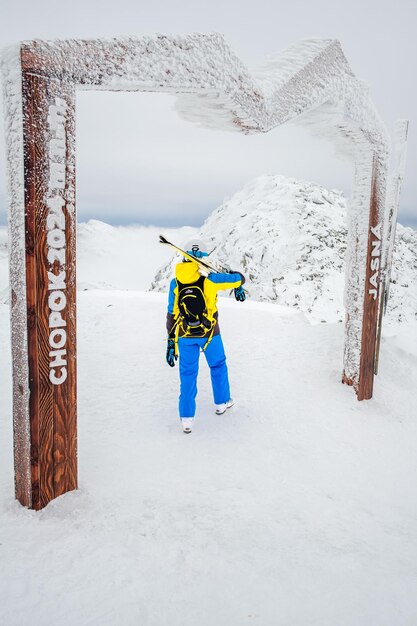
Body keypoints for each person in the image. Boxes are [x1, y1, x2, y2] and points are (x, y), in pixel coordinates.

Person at [165, 238, 246, 433]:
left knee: (187, 374)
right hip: (211, 333)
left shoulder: (175, 283)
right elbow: (239, 278)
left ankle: (186, 418)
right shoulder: (211, 280)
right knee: (218, 365)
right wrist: (237, 281)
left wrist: (170, 342)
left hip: (184, 336)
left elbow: (171, 314)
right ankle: (221, 403)